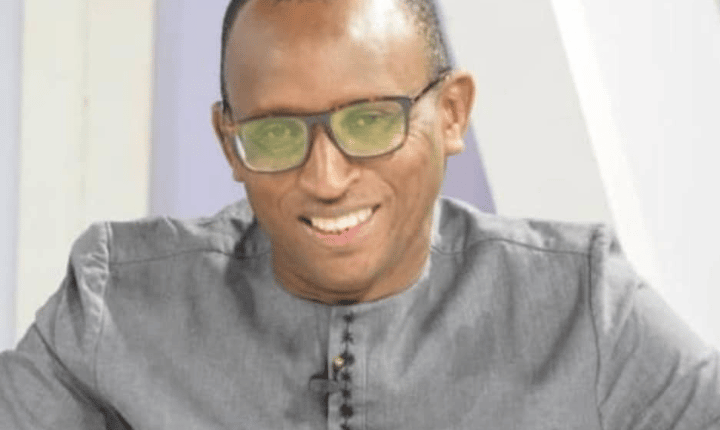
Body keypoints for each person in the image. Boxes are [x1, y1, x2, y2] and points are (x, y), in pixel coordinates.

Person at [1, 0, 719, 428]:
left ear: (452, 113)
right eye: (275, 135)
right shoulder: (115, 304)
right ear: (230, 144)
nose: (326, 178)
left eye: (371, 121)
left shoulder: (585, 306)